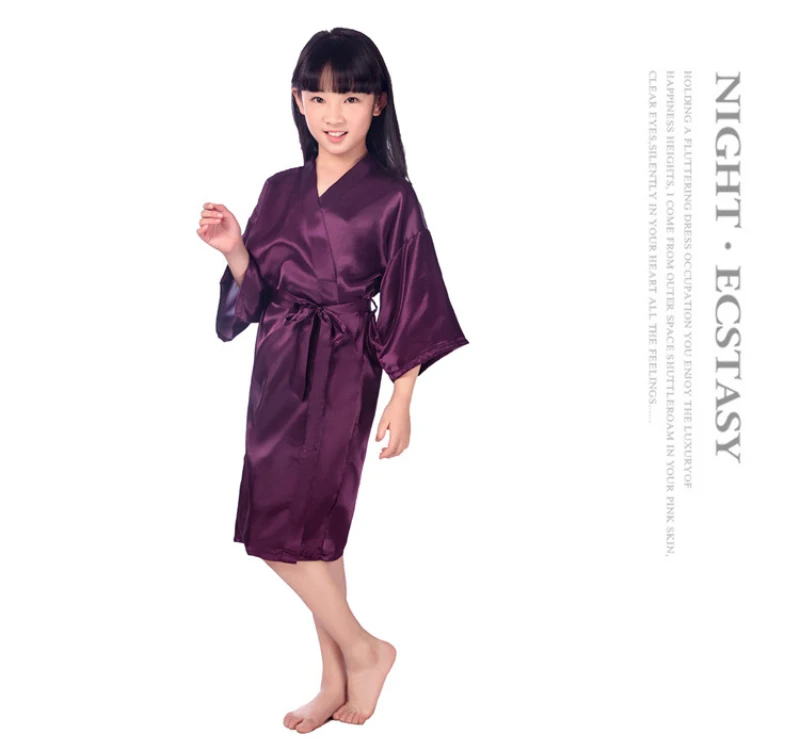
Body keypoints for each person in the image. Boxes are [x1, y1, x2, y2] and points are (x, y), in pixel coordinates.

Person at [196, 27, 468, 732]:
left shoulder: (392, 198)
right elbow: (255, 297)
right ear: (298, 101)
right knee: (296, 532)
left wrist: (404, 396)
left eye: (350, 96)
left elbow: (413, 295)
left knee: (302, 528)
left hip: (344, 367)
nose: (333, 113)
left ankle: (366, 651)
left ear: (378, 103)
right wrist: (235, 251)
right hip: (278, 364)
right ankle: (336, 674)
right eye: (317, 97)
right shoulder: (278, 188)